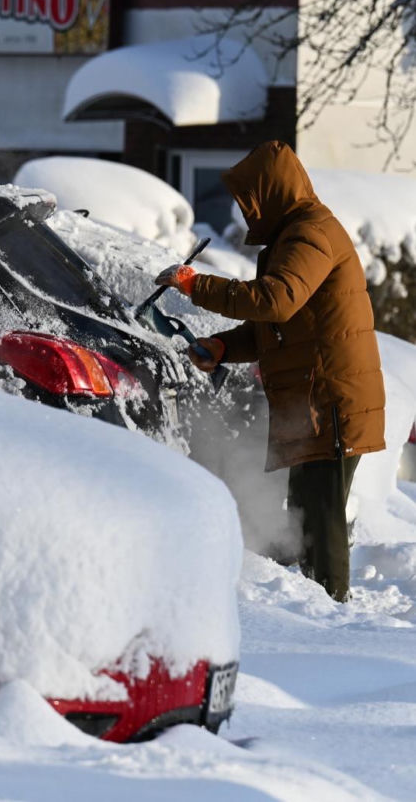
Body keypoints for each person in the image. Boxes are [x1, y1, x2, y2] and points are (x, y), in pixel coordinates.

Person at [155, 141, 385, 602]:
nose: (244, 211)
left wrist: (196, 285)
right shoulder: (294, 235)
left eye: (249, 200)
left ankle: (333, 619)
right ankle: (322, 608)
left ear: (271, 192)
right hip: (314, 403)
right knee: (306, 516)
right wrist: (222, 346)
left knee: (319, 522)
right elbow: (276, 327)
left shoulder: (311, 234)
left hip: (331, 402)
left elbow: (276, 301)